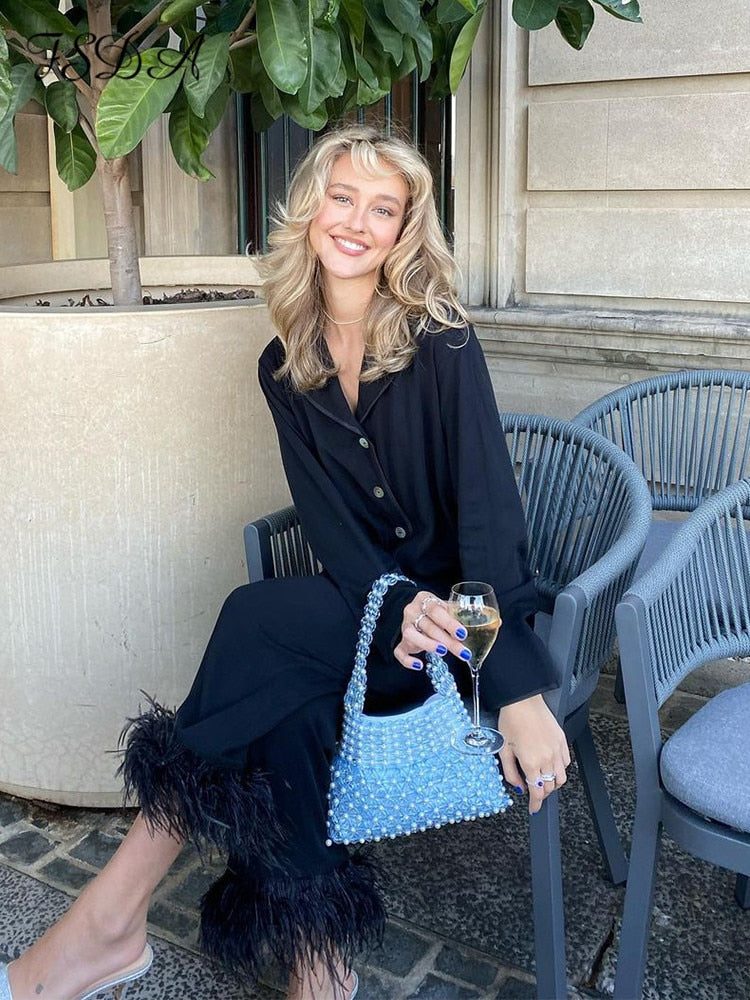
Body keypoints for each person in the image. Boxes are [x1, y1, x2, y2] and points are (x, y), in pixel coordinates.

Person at [0, 125, 570, 1000]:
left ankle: (110, 923)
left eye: (383, 209)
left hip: (462, 635)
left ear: (404, 231)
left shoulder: (443, 342)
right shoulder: (286, 365)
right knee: (289, 707)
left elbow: (492, 524)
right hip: (379, 614)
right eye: (342, 198)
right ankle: (317, 969)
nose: (357, 223)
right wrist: (398, 607)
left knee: (254, 620)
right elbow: (338, 536)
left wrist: (517, 690)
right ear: (310, 209)